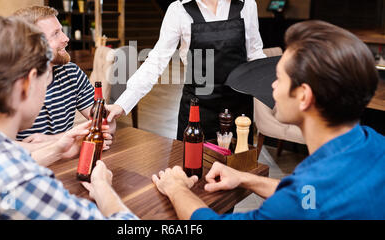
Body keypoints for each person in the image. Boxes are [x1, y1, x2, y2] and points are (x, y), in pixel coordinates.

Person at [151, 20, 385, 220]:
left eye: (279, 78)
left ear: (304, 96)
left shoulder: (293, 206)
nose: (272, 85)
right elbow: (309, 197)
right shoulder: (375, 145)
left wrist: (176, 188)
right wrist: (245, 179)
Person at [0, 16, 137, 220]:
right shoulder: (21, 182)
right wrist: (103, 187)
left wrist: (57, 149)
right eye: (46, 76)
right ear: (27, 83)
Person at [107, 0, 265, 140]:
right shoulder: (178, 10)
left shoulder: (247, 5)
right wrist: (122, 104)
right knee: (192, 169)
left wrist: (274, 94)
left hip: (239, 109)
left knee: (235, 168)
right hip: (197, 109)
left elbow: (255, 56)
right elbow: (155, 61)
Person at [12, 6, 115, 151]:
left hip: (68, 166)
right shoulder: (11, 83)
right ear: (31, 44)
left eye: (61, 31)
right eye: (55, 34)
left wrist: (55, 140)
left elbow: (107, 126)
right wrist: (72, 141)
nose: (66, 39)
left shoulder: (71, 73)